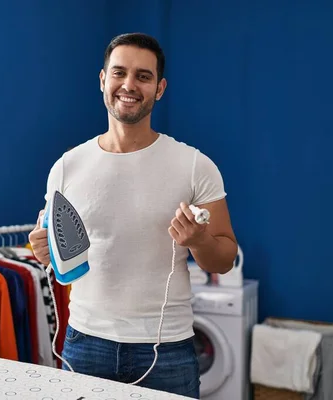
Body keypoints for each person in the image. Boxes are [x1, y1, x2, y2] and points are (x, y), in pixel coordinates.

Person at [28, 32, 238, 398]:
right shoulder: (66, 167)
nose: (129, 84)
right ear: (102, 80)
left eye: (143, 76)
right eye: (119, 73)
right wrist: (43, 250)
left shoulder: (194, 166)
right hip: (85, 342)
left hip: (167, 348)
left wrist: (199, 240)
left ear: (160, 88)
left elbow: (224, 259)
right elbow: (57, 252)